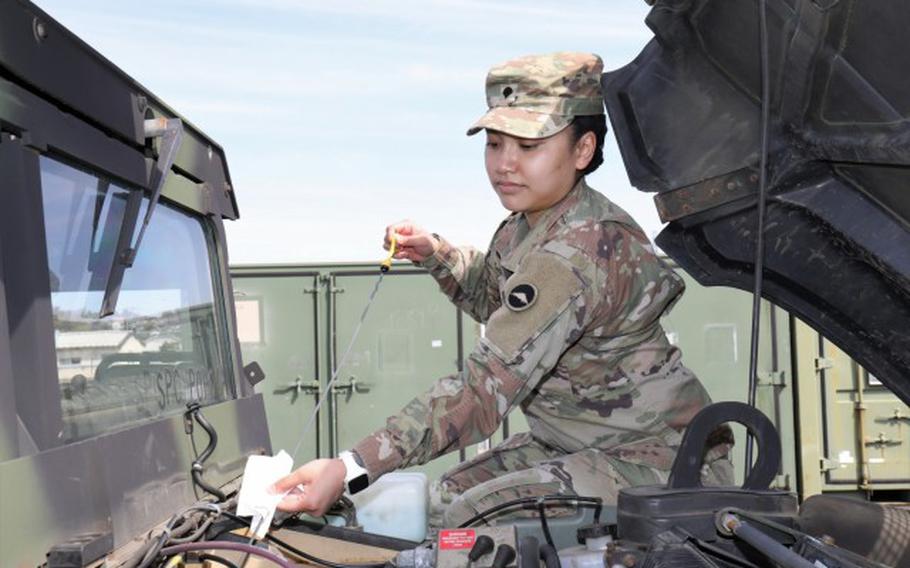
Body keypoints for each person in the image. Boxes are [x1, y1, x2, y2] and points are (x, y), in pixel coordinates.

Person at [272, 52, 733, 527]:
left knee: (476, 516)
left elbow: (483, 390)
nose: (505, 164)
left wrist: (350, 467)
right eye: (495, 143)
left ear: (581, 150)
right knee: (446, 497)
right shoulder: (525, 227)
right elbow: (495, 298)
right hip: (575, 441)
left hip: (658, 461)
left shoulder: (580, 248)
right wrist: (435, 253)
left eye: (529, 147)